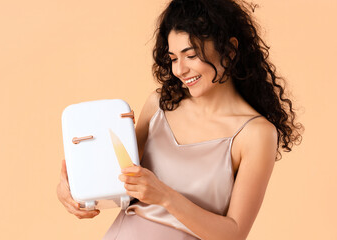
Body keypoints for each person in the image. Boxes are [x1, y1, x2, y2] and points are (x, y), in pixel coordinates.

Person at [57, 0, 303, 239]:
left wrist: (164, 196)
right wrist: (74, 190)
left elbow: (234, 233)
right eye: (174, 58)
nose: (179, 70)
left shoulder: (256, 134)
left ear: (229, 50)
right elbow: (118, 179)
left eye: (191, 55)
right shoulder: (159, 105)